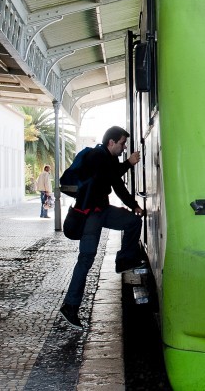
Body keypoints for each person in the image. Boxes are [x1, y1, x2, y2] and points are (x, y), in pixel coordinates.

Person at [59, 126, 144, 329]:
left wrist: (127, 164)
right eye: (122, 143)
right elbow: (117, 183)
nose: (124, 147)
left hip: (102, 210)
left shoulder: (108, 158)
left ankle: (124, 260)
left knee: (133, 221)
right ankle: (70, 306)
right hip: (91, 214)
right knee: (86, 259)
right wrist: (134, 205)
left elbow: (112, 175)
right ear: (111, 143)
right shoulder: (98, 156)